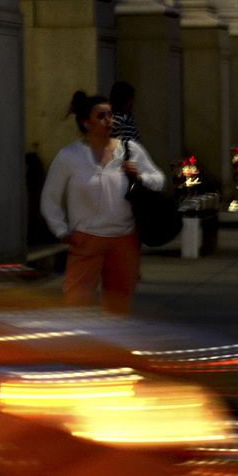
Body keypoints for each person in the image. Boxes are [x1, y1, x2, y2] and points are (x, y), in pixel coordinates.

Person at [40, 91, 165, 314]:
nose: (109, 121)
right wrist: (60, 229)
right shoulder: (70, 156)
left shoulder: (129, 150)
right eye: (101, 116)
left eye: (110, 115)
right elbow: (50, 197)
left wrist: (140, 177)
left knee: (118, 307)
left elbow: (159, 180)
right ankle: (79, 347)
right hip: (86, 240)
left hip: (125, 240)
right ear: (86, 122)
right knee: (76, 303)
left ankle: (113, 347)